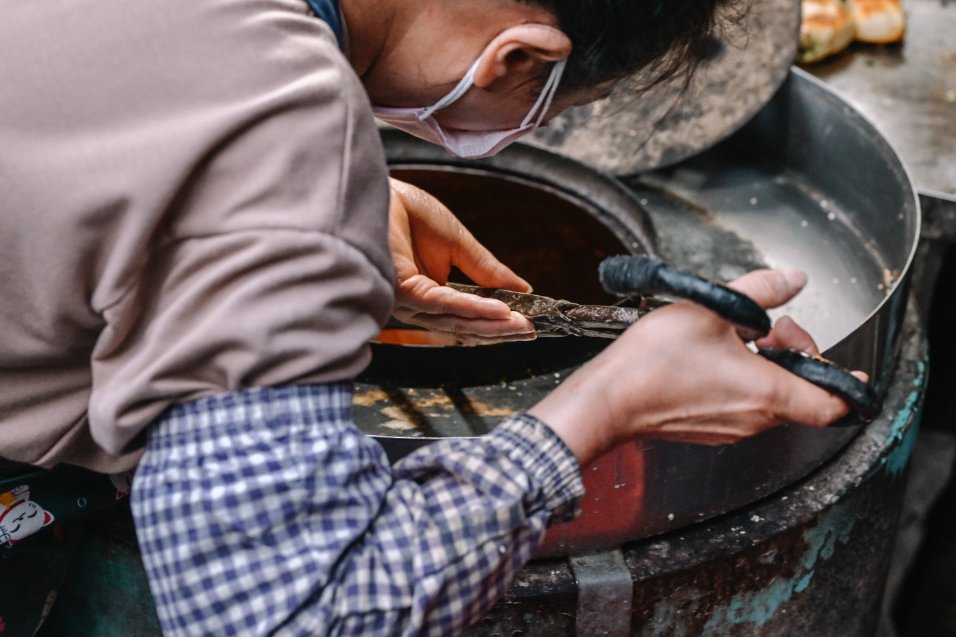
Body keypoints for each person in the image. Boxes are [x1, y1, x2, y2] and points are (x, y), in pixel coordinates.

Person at [0, 0, 863, 634]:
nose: (521, 130)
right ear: (515, 59)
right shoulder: (281, 125)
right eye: (544, 111)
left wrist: (277, 206)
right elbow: (286, 616)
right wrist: (602, 409)